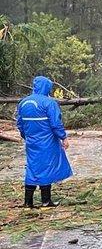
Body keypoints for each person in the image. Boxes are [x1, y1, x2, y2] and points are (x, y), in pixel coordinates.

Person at [16, 76, 73, 207]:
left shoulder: (23, 102)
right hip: (47, 141)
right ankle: (46, 201)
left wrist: (26, 136)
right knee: (47, 167)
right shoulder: (49, 103)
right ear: (47, 87)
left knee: (32, 167)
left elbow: (20, 123)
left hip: (32, 141)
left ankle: (28, 202)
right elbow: (55, 123)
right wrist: (63, 137)